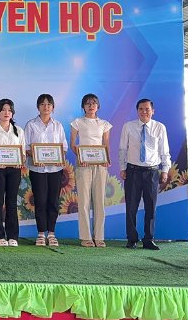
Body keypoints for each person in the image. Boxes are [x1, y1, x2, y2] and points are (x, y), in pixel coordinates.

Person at [119, 98, 171, 250]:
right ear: (137, 111)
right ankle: (132, 238)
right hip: (132, 171)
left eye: (147, 109)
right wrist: (122, 168)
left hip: (152, 172)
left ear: (152, 111)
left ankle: (148, 239)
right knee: (131, 207)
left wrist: (165, 170)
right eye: (141, 109)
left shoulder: (160, 127)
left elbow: (164, 151)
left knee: (151, 207)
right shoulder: (128, 127)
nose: (144, 112)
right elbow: (123, 149)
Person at [70, 94, 112, 248]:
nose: (91, 106)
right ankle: (86, 237)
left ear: (98, 106)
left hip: (100, 165)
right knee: (84, 201)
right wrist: (80, 157)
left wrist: (106, 158)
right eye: (87, 104)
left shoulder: (105, 124)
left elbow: (106, 143)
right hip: (83, 165)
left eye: (94, 103)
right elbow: (73, 144)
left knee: (100, 201)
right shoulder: (77, 123)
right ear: (83, 107)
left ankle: (99, 237)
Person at [24, 94, 66, 247]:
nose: (46, 107)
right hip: (37, 169)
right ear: (38, 107)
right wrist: (36, 157)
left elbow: (64, 147)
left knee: (53, 201)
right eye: (42, 104)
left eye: (49, 104)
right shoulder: (31, 125)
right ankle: (41, 233)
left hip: (55, 169)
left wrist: (53, 157)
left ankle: (52, 233)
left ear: (53, 107)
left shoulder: (58, 126)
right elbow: (26, 147)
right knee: (40, 201)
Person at [0, 99, 25, 247]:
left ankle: (13, 236)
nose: (6, 112)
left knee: (12, 203)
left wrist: (20, 159)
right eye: (3, 109)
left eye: (9, 110)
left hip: (14, 170)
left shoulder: (19, 131)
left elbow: (22, 153)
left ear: (12, 113)